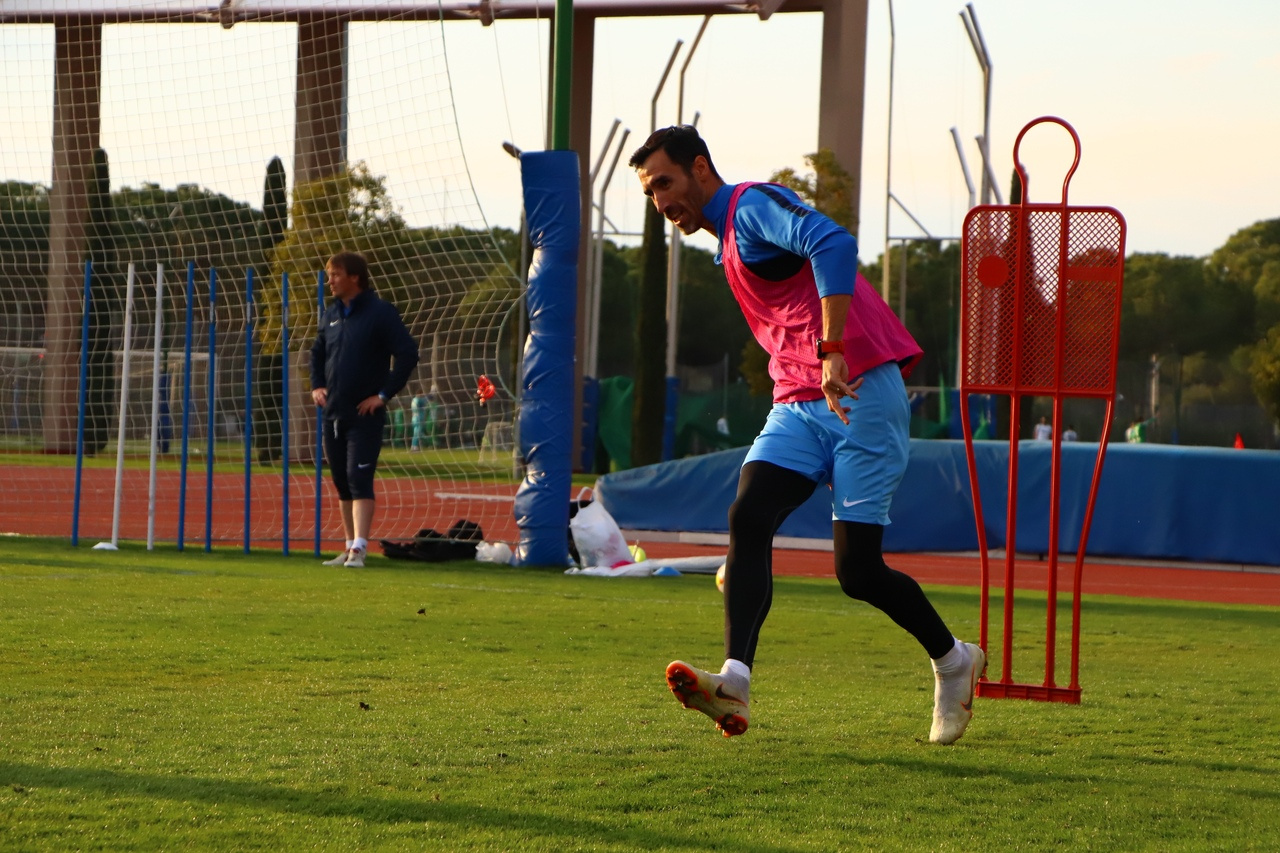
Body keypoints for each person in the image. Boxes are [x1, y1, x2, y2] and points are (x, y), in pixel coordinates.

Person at [630, 125, 985, 744]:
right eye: (649, 192)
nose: (660, 201)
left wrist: (833, 346)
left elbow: (833, 241)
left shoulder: (751, 206)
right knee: (749, 515)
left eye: (665, 182)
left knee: (859, 572)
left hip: (859, 393)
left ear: (700, 168)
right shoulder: (726, 240)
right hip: (797, 401)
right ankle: (735, 680)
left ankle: (954, 660)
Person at [309, 251, 419, 568]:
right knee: (342, 482)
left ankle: (360, 548)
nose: (330, 281)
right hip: (333, 413)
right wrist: (317, 385)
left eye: (335, 274)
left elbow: (408, 354)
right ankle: (348, 546)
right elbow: (317, 353)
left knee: (359, 479)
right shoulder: (331, 314)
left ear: (354, 277)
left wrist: (382, 395)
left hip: (364, 416)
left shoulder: (381, 312)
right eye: (329, 274)